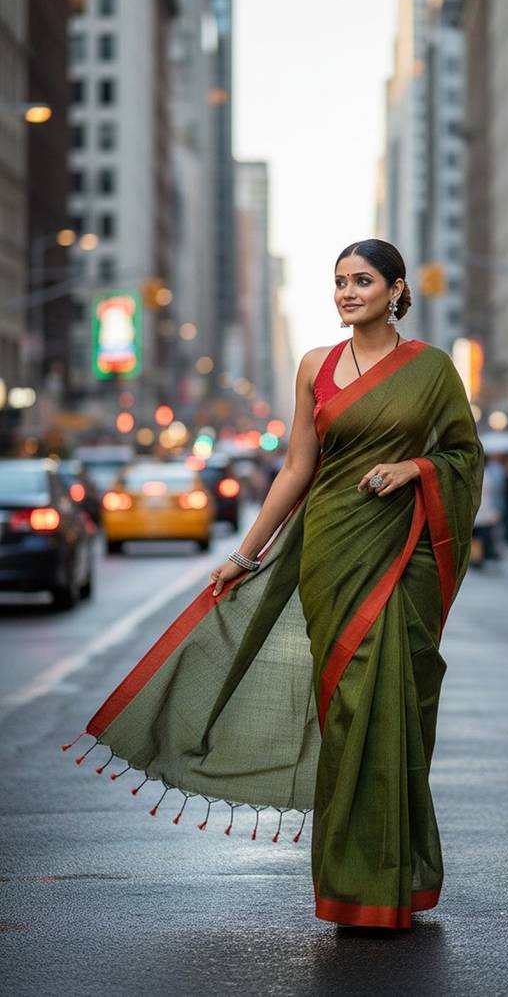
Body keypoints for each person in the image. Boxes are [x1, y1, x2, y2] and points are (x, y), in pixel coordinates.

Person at [64, 239, 484, 932]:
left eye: (362, 281)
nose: (347, 292)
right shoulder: (315, 366)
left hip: (400, 553)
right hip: (329, 551)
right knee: (349, 709)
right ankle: (354, 879)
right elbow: (295, 469)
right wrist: (245, 551)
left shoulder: (432, 370)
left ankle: (392, 874)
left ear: (397, 289)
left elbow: (461, 454)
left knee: (397, 704)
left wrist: (415, 471)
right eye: (339, 281)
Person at [473, 454, 505, 564]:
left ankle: (478, 558)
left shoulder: (478, 474)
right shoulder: (489, 475)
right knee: (482, 536)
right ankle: (479, 557)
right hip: (485, 510)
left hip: (481, 511)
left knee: (478, 537)